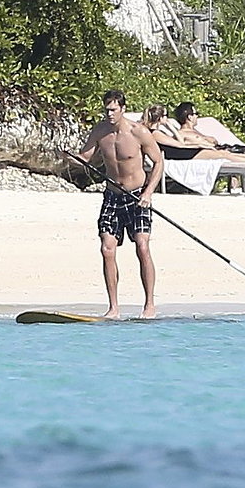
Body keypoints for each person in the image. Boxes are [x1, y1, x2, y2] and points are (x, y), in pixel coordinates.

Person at [77, 89, 164, 319]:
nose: (109, 114)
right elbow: (84, 158)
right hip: (112, 197)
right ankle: (114, 308)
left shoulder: (139, 132)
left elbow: (158, 162)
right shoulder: (100, 131)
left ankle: (149, 305)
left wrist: (148, 193)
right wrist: (69, 157)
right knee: (107, 249)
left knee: (142, 246)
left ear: (123, 109)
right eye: (106, 110)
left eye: (114, 110)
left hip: (137, 198)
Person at [142, 105, 245, 163]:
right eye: (166, 116)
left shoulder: (157, 132)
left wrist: (171, 128)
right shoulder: (156, 134)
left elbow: (180, 143)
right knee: (223, 154)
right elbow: (180, 144)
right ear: (160, 118)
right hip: (182, 155)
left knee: (224, 154)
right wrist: (197, 145)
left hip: (184, 153)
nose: (168, 118)